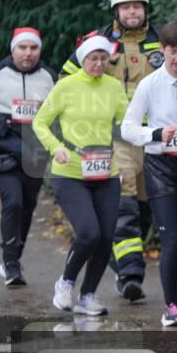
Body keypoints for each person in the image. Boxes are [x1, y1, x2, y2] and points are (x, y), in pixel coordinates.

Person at [62, 0, 162, 301]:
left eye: (137, 6)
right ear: (116, 11)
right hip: (115, 138)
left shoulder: (162, 42)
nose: (132, 12)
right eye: (126, 7)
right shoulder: (99, 43)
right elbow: (68, 78)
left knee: (147, 208)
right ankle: (130, 275)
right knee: (125, 202)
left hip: (155, 138)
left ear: (146, 9)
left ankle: (119, 260)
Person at [121, 22, 177, 327]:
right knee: (172, 240)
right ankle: (170, 304)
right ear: (161, 50)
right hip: (161, 167)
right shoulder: (149, 84)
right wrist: (158, 132)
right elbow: (128, 128)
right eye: (172, 52)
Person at [33, 35, 128, 316]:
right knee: (89, 233)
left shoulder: (113, 87)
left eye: (103, 58)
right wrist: (56, 148)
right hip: (70, 170)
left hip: (106, 171)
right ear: (82, 60)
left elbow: (125, 124)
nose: (98, 64)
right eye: (92, 59)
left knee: (106, 236)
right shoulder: (66, 86)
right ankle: (66, 282)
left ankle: (88, 296)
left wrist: (124, 159)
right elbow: (40, 122)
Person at [0, 27, 56, 286]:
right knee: (14, 202)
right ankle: (10, 263)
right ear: (13, 49)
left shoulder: (50, 77)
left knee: (28, 206)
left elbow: (60, 114)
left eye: (33, 48)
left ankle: (13, 260)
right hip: (2, 151)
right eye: (23, 48)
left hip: (35, 152)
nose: (28, 53)